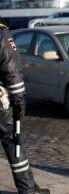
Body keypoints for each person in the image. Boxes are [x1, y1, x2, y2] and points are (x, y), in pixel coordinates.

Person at [0, 30, 50, 194]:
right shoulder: (3, 35)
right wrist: (19, 104)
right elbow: (12, 71)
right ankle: (27, 189)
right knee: (14, 142)